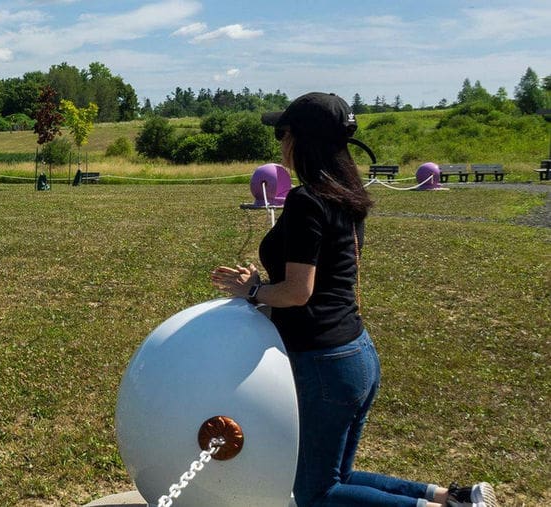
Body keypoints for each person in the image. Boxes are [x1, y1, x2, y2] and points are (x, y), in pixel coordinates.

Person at [209, 92, 496, 507]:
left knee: (317, 493)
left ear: (302, 140)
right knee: (336, 475)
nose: (280, 143)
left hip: (324, 364)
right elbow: (320, 289)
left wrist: (252, 290)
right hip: (354, 355)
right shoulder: (345, 196)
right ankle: (453, 497)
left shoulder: (307, 200)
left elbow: (297, 292)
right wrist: (260, 291)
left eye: (282, 133)